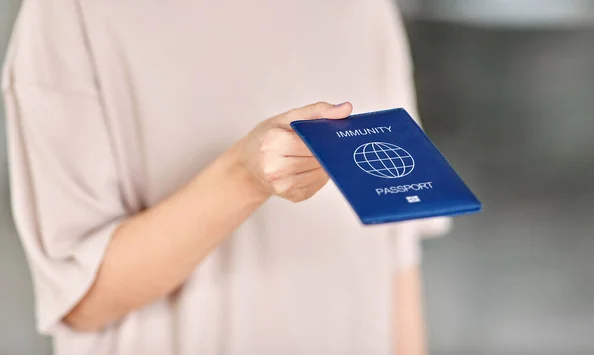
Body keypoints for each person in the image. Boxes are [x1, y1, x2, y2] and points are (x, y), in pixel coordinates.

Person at [2, 0, 451, 354]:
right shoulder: (72, 13)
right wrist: (244, 176)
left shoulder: (362, 8)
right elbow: (81, 301)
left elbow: (396, 259)